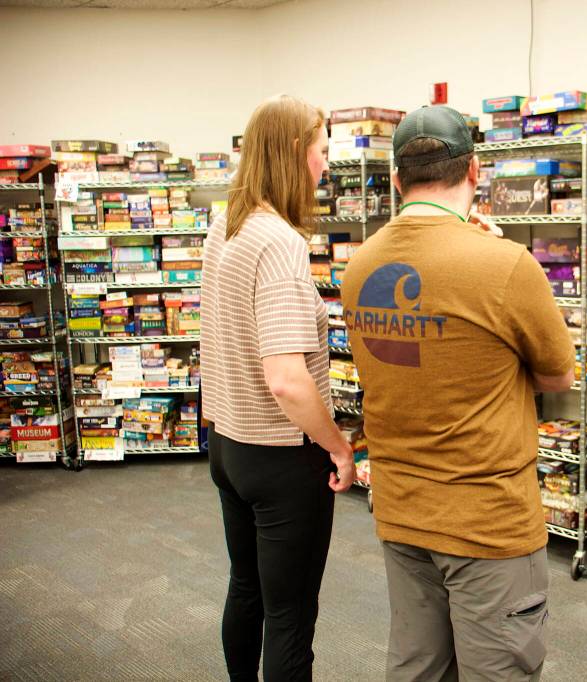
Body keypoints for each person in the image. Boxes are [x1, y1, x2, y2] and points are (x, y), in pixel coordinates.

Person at [340, 105, 575, 681]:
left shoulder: (359, 264)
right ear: (475, 171)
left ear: (396, 179)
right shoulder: (506, 265)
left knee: (419, 668)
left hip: (401, 509)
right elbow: (557, 376)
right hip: (486, 520)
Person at [200, 94, 355, 682]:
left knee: (246, 590)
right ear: (295, 153)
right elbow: (287, 380)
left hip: (228, 448)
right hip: (282, 462)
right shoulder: (281, 242)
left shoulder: (226, 226)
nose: (324, 167)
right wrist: (338, 445)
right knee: (290, 617)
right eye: (320, 152)